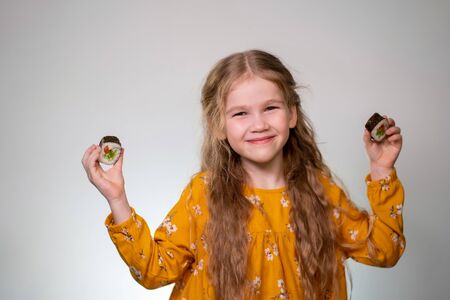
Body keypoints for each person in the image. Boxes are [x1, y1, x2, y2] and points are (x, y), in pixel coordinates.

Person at [81, 49, 405, 300]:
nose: (259, 124)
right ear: (219, 126)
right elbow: (153, 271)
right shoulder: (203, 194)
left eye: (271, 108)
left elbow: (385, 250)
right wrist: (117, 199)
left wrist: (381, 170)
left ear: (292, 113)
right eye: (240, 113)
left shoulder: (320, 191)